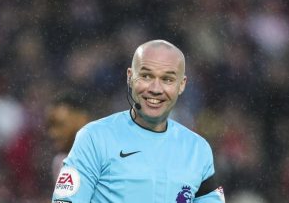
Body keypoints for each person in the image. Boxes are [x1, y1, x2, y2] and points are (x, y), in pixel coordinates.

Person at [51, 40, 225, 203]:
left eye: (167, 79)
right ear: (130, 77)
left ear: (182, 84)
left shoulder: (198, 150)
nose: (156, 89)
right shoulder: (94, 139)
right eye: (146, 76)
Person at [46, 90, 92, 181]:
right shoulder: (60, 161)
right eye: (49, 126)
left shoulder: (109, 154)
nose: (52, 134)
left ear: (82, 119)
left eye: (60, 124)